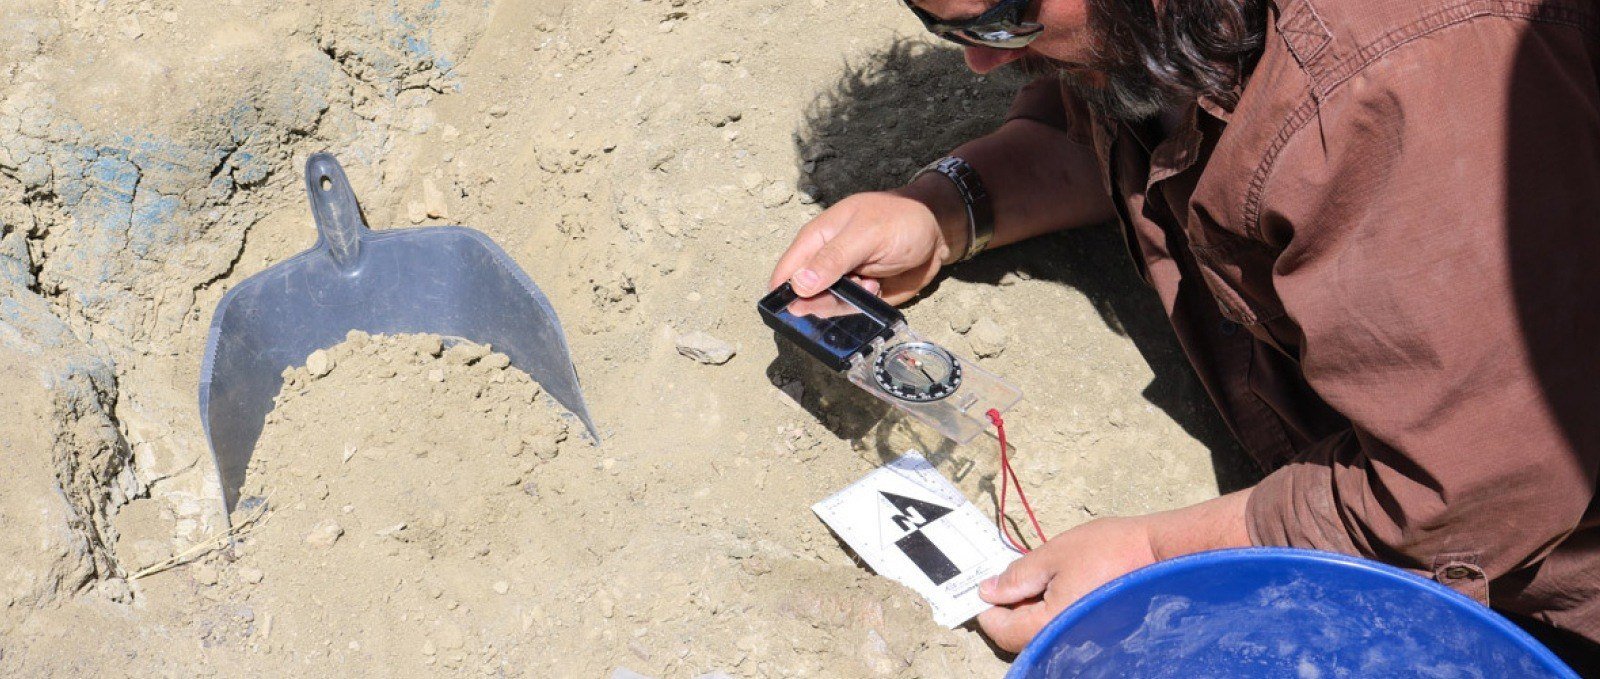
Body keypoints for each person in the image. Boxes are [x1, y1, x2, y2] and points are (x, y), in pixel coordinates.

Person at [768, 0, 1600, 668]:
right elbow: (1122, 117)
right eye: (941, 25)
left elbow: (1470, 494)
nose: (979, 60)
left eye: (1000, 21)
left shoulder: (1390, 88)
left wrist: (1157, 556)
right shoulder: (1139, 22)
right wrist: (952, 207)